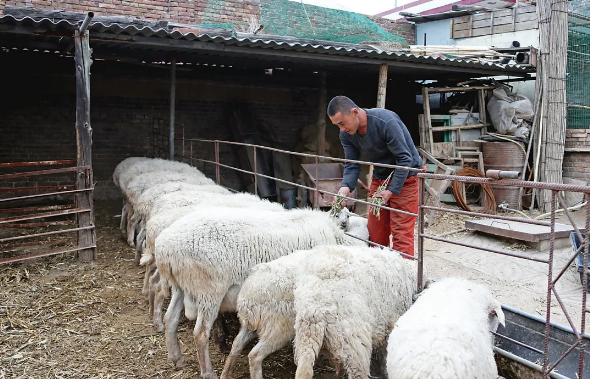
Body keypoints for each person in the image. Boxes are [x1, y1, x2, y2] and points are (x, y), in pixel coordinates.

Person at [327, 95, 422, 258]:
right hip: (380, 179)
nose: (341, 129)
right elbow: (351, 164)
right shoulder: (347, 135)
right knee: (375, 233)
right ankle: (380, 274)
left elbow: (405, 159)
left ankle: (406, 276)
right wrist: (343, 191)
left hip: (406, 176)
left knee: (401, 234)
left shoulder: (385, 122)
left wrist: (391, 190)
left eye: (342, 123)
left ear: (354, 112)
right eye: (337, 125)